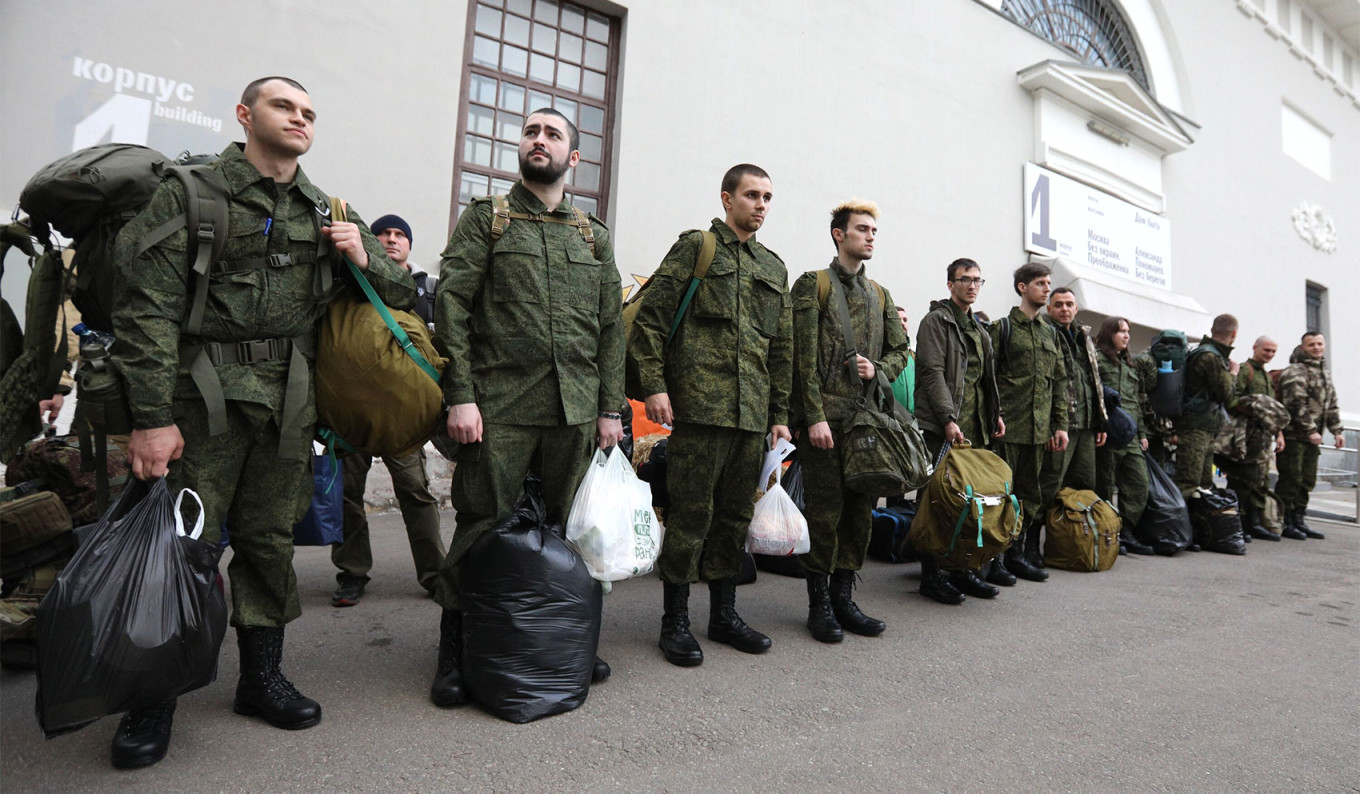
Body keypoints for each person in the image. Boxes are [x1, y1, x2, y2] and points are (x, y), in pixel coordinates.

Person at [110, 77, 416, 769]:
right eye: (286, 107)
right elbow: (147, 310)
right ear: (247, 116)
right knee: (181, 550)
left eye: (310, 112)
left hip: (287, 408)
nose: (300, 119)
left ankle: (261, 679)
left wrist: (363, 255)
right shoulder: (191, 193)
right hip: (201, 405)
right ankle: (150, 698)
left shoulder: (327, 209)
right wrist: (152, 419)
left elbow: (401, 295)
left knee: (270, 544)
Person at [429, 108, 624, 705]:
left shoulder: (592, 235)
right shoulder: (488, 219)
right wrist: (460, 394)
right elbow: (452, 307)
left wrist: (610, 409)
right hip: (501, 405)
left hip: (575, 410)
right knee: (483, 524)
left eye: (553, 135)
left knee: (572, 532)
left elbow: (611, 327)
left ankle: (565, 641)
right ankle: (455, 652)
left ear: (574, 157)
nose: (539, 141)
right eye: (531, 132)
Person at [629, 163, 793, 666]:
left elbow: (781, 348)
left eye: (767, 196)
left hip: (749, 419)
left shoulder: (774, 267)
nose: (760, 204)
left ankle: (723, 614)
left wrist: (779, 413)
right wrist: (654, 387)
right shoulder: (697, 249)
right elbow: (652, 320)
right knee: (690, 514)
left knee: (733, 517)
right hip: (698, 411)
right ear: (727, 199)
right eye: (751, 195)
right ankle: (674, 621)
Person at [789, 199, 909, 643]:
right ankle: (818, 605)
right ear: (839, 235)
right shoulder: (812, 285)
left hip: (868, 425)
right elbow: (799, 359)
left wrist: (877, 370)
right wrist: (811, 417)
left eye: (874, 230)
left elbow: (901, 351)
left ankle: (845, 598)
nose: (870, 236)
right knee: (825, 515)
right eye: (862, 229)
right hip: (826, 424)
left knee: (860, 515)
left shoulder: (880, 294)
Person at [330, 214, 447, 606]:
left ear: (410, 246)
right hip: (351, 413)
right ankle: (352, 573)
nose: (391, 240)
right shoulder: (348, 284)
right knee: (347, 493)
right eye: (383, 233)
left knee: (415, 490)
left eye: (400, 235)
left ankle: (435, 575)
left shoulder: (426, 291)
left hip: (401, 414)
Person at [912, 258, 1004, 604]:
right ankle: (931, 576)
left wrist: (996, 414)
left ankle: (962, 571)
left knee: (971, 502)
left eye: (978, 280)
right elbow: (932, 373)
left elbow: (985, 380)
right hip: (943, 427)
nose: (972, 286)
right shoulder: (936, 322)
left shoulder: (980, 330)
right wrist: (948, 418)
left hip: (974, 430)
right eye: (964, 280)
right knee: (936, 500)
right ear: (950, 284)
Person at [1037, 287, 1108, 562]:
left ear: (1076, 308)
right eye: (1058, 305)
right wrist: (1052, 425)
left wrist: (1101, 421)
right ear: (1050, 309)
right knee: (1050, 483)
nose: (1064, 309)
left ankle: (1071, 541)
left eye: (1069, 304)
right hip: (1061, 423)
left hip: (1087, 424)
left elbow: (1095, 381)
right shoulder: (1046, 332)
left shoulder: (1083, 335)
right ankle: (1032, 544)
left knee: (1084, 483)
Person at [1094, 317, 1156, 554]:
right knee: (1105, 484)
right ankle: (1107, 532)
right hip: (1107, 433)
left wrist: (1141, 433)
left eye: (1128, 332)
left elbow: (1136, 402)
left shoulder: (1131, 365)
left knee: (1139, 484)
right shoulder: (1098, 360)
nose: (1126, 336)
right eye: (1121, 331)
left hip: (1129, 435)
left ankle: (1127, 531)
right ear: (1109, 333)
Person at [1275, 331, 1345, 540]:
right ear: (1303, 347)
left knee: (1306, 481)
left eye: (1319, 344)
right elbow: (1295, 404)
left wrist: (1337, 431)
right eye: (1311, 344)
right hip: (1295, 436)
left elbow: (1331, 404)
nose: (1316, 348)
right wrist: (1310, 430)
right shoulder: (1297, 371)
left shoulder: (1323, 371)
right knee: (1291, 479)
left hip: (1312, 438)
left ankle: (1299, 520)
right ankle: (1283, 521)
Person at [1226, 336, 1287, 541]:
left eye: (1273, 351)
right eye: (1266, 350)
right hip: (1246, 437)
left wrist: (1278, 433)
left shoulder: (1267, 377)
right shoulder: (1246, 371)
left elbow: (1272, 411)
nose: (1269, 354)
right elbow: (1232, 400)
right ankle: (1237, 523)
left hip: (1264, 438)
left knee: (1260, 481)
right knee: (1242, 480)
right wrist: (1254, 405)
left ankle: (1254, 522)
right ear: (1255, 348)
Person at [1173, 315, 1238, 496]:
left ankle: (1193, 523)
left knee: (1203, 484)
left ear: (1212, 330)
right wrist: (1233, 373)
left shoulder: (1207, 353)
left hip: (1204, 427)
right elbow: (1226, 394)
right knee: (1188, 482)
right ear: (1234, 334)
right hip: (1196, 427)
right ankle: (1174, 523)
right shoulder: (1210, 356)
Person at [890, 306, 916, 414]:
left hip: (911, 422)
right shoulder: (881, 354)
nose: (902, 323)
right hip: (888, 419)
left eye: (905, 320)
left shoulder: (913, 357)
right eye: (898, 319)